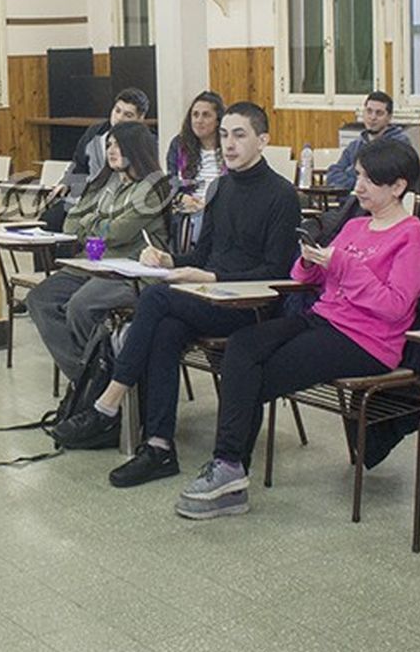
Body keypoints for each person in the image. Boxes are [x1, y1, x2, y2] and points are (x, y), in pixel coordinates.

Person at [177, 140, 420, 520]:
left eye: (368, 180)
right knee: (243, 344)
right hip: (325, 319)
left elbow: (394, 306)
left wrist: (344, 265)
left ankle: (229, 468)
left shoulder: (412, 238)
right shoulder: (356, 225)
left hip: (367, 340)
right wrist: (310, 262)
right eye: (359, 176)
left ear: (397, 186)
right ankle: (229, 469)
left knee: (257, 374)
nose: (357, 186)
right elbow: (307, 278)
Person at [48, 102, 301, 484]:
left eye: (240, 135)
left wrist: (210, 276)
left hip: (251, 306)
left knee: (155, 299)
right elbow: (202, 254)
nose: (229, 144)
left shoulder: (281, 195)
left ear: (263, 141)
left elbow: (274, 271)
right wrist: (168, 259)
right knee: (164, 330)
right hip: (210, 296)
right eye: (225, 135)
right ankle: (159, 445)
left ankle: (109, 401)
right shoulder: (221, 187)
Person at [26, 122, 169, 386]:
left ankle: (95, 384)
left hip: (131, 274)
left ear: (136, 149)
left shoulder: (150, 189)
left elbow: (117, 232)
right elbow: (71, 223)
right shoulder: (109, 183)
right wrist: (97, 224)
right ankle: (90, 379)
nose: (111, 150)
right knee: (39, 299)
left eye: (118, 145)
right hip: (94, 263)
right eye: (109, 145)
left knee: (81, 306)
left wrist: (93, 224)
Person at [40, 87, 150, 231]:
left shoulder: (146, 142)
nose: (119, 118)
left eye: (128, 115)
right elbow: (79, 164)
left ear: (140, 119)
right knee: (48, 221)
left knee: (81, 228)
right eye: (117, 111)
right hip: (85, 196)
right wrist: (66, 183)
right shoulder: (95, 132)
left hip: (118, 202)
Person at [164, 91, 227, 252]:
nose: (199, 120)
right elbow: (170, 183)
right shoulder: (179, 145)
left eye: (206, 115)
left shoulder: (229, 147)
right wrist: (181, 197)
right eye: (195, 115)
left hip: (221, 209)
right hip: (188, 208)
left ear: (218, 120)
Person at [325, 91, 412, 189]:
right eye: (369, 111)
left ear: (389, 117)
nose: (372, 117)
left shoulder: (398, 144)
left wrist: (349, 175)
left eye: (379, 113)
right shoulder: (355, 145)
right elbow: (332, 175)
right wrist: (359, 182)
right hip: (351, 201)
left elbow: (380, 180)